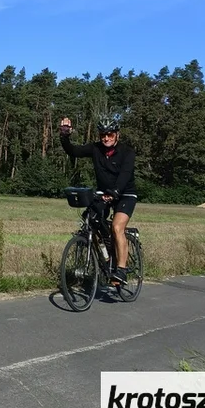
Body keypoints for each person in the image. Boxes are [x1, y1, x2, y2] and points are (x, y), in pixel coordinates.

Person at [59, 113, 137, 285]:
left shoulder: (127, 152)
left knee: (117, 227)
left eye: (110, 134)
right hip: (105, 193)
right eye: (103, 135)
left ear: (117, 134)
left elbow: (125, 176)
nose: (106, 138)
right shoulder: (96, 149)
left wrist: (115, 191)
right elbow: (73, 151)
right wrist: (65, 135)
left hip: (125, 194)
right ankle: (107, 255)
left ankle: (122, 270)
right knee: (90, 219)